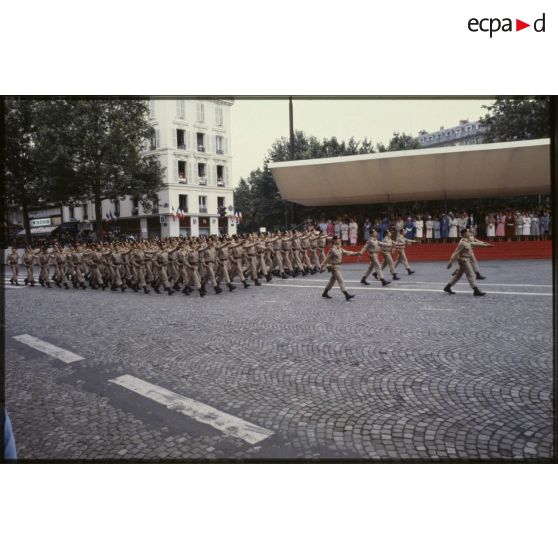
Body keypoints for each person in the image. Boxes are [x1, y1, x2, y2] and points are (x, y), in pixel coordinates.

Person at [443, 229, 493, 296]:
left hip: (466, 260)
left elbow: (475, 243)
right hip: (464, 260)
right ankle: (476, 290)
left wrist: (485, 245)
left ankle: (447, 287)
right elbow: (455, 252)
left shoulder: (467, 240)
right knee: (471, 275)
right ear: (464, 234)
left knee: (458, 275)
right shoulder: (462, 242)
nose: (469, 233)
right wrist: (450, 262)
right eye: (468, 232)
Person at [320, 236, 356, 301]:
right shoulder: (332, 250)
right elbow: (326, 259)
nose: (339, 240)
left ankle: (325, 293)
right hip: (334, 267)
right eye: (338, 239)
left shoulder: (339, 248)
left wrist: (357, 253)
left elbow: (348, 252)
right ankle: (346, 294)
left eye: (339, 239)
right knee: (340, 280)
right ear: (334, 241)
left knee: (332, 280)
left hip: (338, 266)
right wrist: (322, 266)